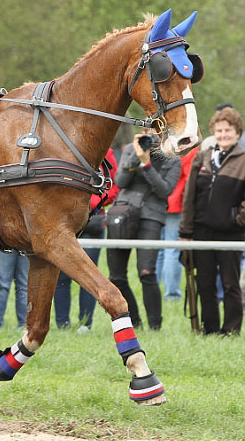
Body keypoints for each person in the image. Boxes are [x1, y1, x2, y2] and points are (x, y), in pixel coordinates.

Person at [180, 106, 245, 335]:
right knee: (204, 283)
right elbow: (189, 197)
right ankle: (210, 329)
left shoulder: (243, 160)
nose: (223, 135)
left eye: (228, 130)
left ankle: (231, 330)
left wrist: (237, 219)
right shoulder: (203, 157)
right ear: (213, 132)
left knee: (230, 283)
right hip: (201, 232)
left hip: (231, 233)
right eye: (219, 130)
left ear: (237, 133)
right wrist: (186, 231)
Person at [106, 130, 179, 330]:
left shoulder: (172, 157)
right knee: (116, 276)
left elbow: (164, 190)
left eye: (157, 133)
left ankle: (155, 327)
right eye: (148, 132)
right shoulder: (131, 149)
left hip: (151, 217)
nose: (152, 138)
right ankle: (134, 322)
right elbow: (121, 181)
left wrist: (147, 164)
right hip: (123, 214)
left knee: (146, 273)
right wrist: (136, 156)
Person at [52, 149, 120, 332]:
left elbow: (113, 187)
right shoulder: (64, 148)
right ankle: (62, 323)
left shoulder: (106, 153)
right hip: (65, 222)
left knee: (89, 276)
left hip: (92, 222)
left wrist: (86, 205)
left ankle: (86, 323)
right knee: (61, 275)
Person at [156, 145, 197, 300]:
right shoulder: (189, 148)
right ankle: (171, 294)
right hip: (176, 203)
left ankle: (154, 290)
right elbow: (189, 179)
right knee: (172, 249)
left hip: (157, 202)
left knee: (159, 249)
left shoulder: (163, 144)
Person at [0, 246, 29, 329]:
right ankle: (25, 324)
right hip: (26, 243)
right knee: (24, 286)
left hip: (2, 242)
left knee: (1, 285)